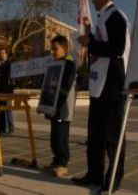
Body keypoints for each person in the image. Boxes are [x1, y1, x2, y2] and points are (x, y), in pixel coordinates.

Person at [71, 0, 131, 194]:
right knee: (94, 134)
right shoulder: (102, 17)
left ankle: (113, 180)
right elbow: (100, 45)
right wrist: (90, 36)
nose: (93, 0)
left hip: (113, 85)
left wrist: (91, 43)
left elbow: (117, 48)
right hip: (98, 85)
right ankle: (93, 174)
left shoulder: (117, 16)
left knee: (112, 136)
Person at [43, 35, 77, 177]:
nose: (53, 52)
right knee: (54, 136)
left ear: (65, 48)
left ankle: (62, 163)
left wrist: (56, 105)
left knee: (61, 135)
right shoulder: (54, 64)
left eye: (55, 49)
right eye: (51, 49)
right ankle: (56, 160)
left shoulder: (69, 64)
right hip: (54, 107)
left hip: (63, 108)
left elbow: (65, 88)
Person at [0, 48, 15, 134]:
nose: (2, 55)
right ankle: (2, 128)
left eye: (3, 53)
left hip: (8, 91)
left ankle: (11, 128)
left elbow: (7, 73)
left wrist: (0, 66)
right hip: (0, 90)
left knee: (8, 109)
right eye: (0, 53)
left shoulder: (8, 64)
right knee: (1, 110)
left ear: (6, 54)